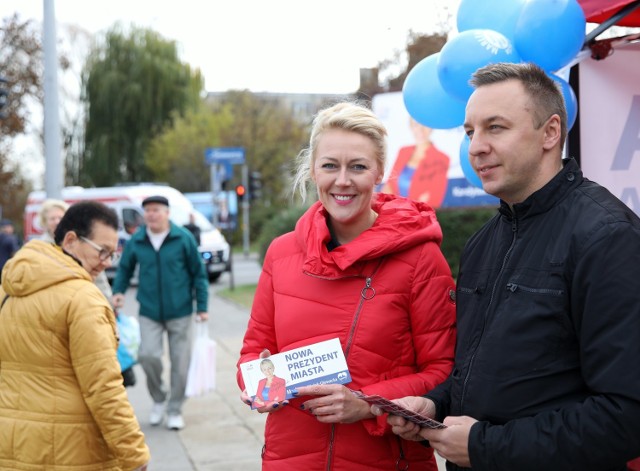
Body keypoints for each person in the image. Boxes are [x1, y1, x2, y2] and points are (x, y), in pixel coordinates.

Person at [375, 62, 640, 471]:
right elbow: (484, 374)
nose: (475, 146)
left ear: (550, 132)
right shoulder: (484, 242)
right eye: (469, 132)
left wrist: (486, 446)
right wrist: (434, 403)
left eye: (495, 127)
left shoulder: (607, 237)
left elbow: (626, 416)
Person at [236, 101, 457, 470]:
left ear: (379, 172)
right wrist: (258, 385)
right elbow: (254, 351)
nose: (342, 180)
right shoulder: (281, 253)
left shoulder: (421, 259)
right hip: (289, 459)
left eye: (357, 166)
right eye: (329, 166)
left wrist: (368, 403)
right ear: (312, 170)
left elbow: (443, 371)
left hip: (388, 459)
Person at [0, 201, 149, 470]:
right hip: (72, 449)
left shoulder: (7, 289)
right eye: (102, 252)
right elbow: (104, 388)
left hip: (13, 445)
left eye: (111, 255)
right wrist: (134, 454)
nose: (105, 263)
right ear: (70, 240)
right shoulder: (83, 299)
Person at [112, 194, 209, 431]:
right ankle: (159, 399)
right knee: (148, 356)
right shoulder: (138, 240)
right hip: (149, 311)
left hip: (181, 310)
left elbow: (199, 274)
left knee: (180, 363)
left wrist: (202, 307)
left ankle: (175, 409)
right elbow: (124, 269)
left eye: (156, 210)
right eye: (148, 211)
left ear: (167, 213)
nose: (151, 214)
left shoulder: (182, 238)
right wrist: (118, 291)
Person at [382, 118, 450, 207]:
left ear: (431, 128)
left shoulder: (442, 158)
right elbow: (389, 185)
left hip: (418, 215)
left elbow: (435, 196)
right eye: (416, 125)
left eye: (425, 125)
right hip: (393, 211)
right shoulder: (403, 151)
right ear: (411, 127)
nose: (420, 129)